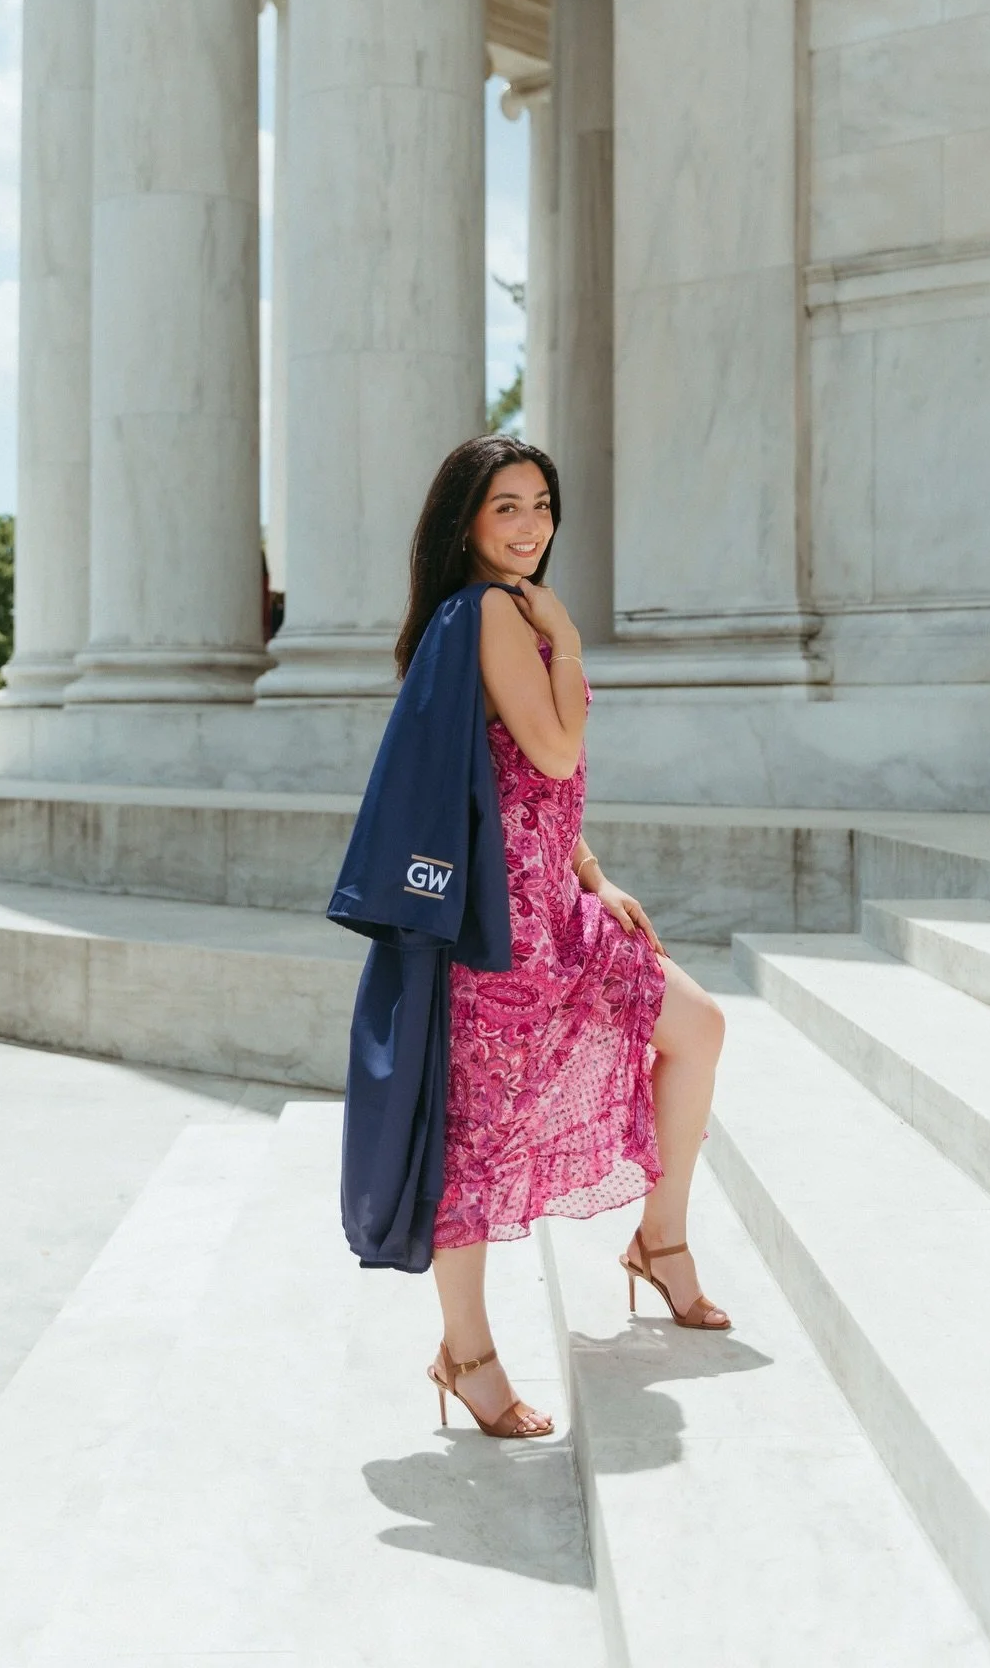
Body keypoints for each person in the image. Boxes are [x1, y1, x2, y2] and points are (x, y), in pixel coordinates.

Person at [396, 435, 730, 1442]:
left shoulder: (490, 613)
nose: (531, 526)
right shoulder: (498, 613)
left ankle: (659, 1244)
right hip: (500, 938)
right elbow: (554, 746)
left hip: (556, 910)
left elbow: (510, 779)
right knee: (475, 1147)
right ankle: (466, 1354)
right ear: (466, 521)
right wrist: (572, 637)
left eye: (542, 504)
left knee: (698, 1027)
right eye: (507, 507)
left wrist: (593, 873)